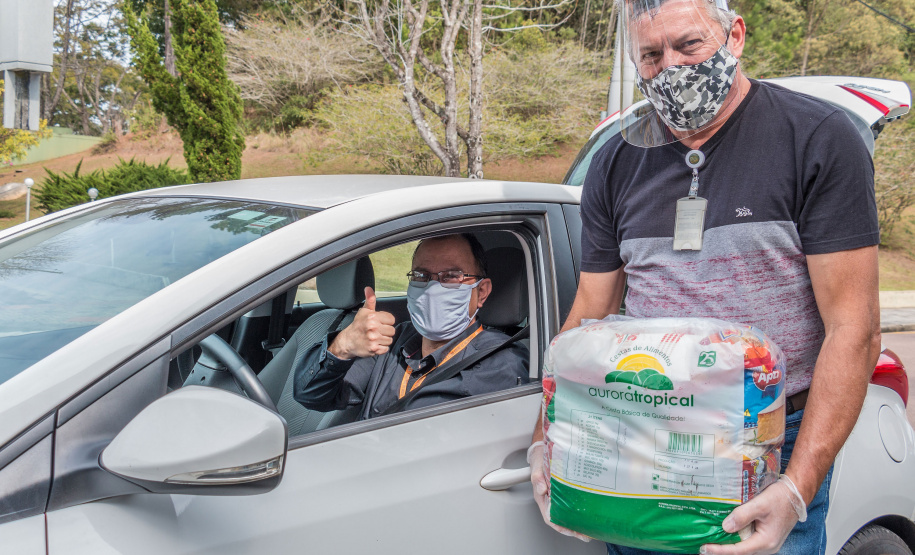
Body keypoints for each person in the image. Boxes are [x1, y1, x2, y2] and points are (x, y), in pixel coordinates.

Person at [528, 1, 881, 554]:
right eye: (650, 55)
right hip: (638, 435)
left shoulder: (817, 136)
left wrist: (796, 487)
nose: (670, 67)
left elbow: (853, 330)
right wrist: (543, 438)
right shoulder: (616, 160)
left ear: (734, 35)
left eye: (688, 45)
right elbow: (589, 314)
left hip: (769, 442)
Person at [293, 233, 529, 420]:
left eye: (451, 276)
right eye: (421, 275)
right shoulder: (394, 340)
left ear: (482, 292)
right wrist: (342, 346)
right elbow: (310, 396)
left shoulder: (502, 363)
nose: (432, 288)